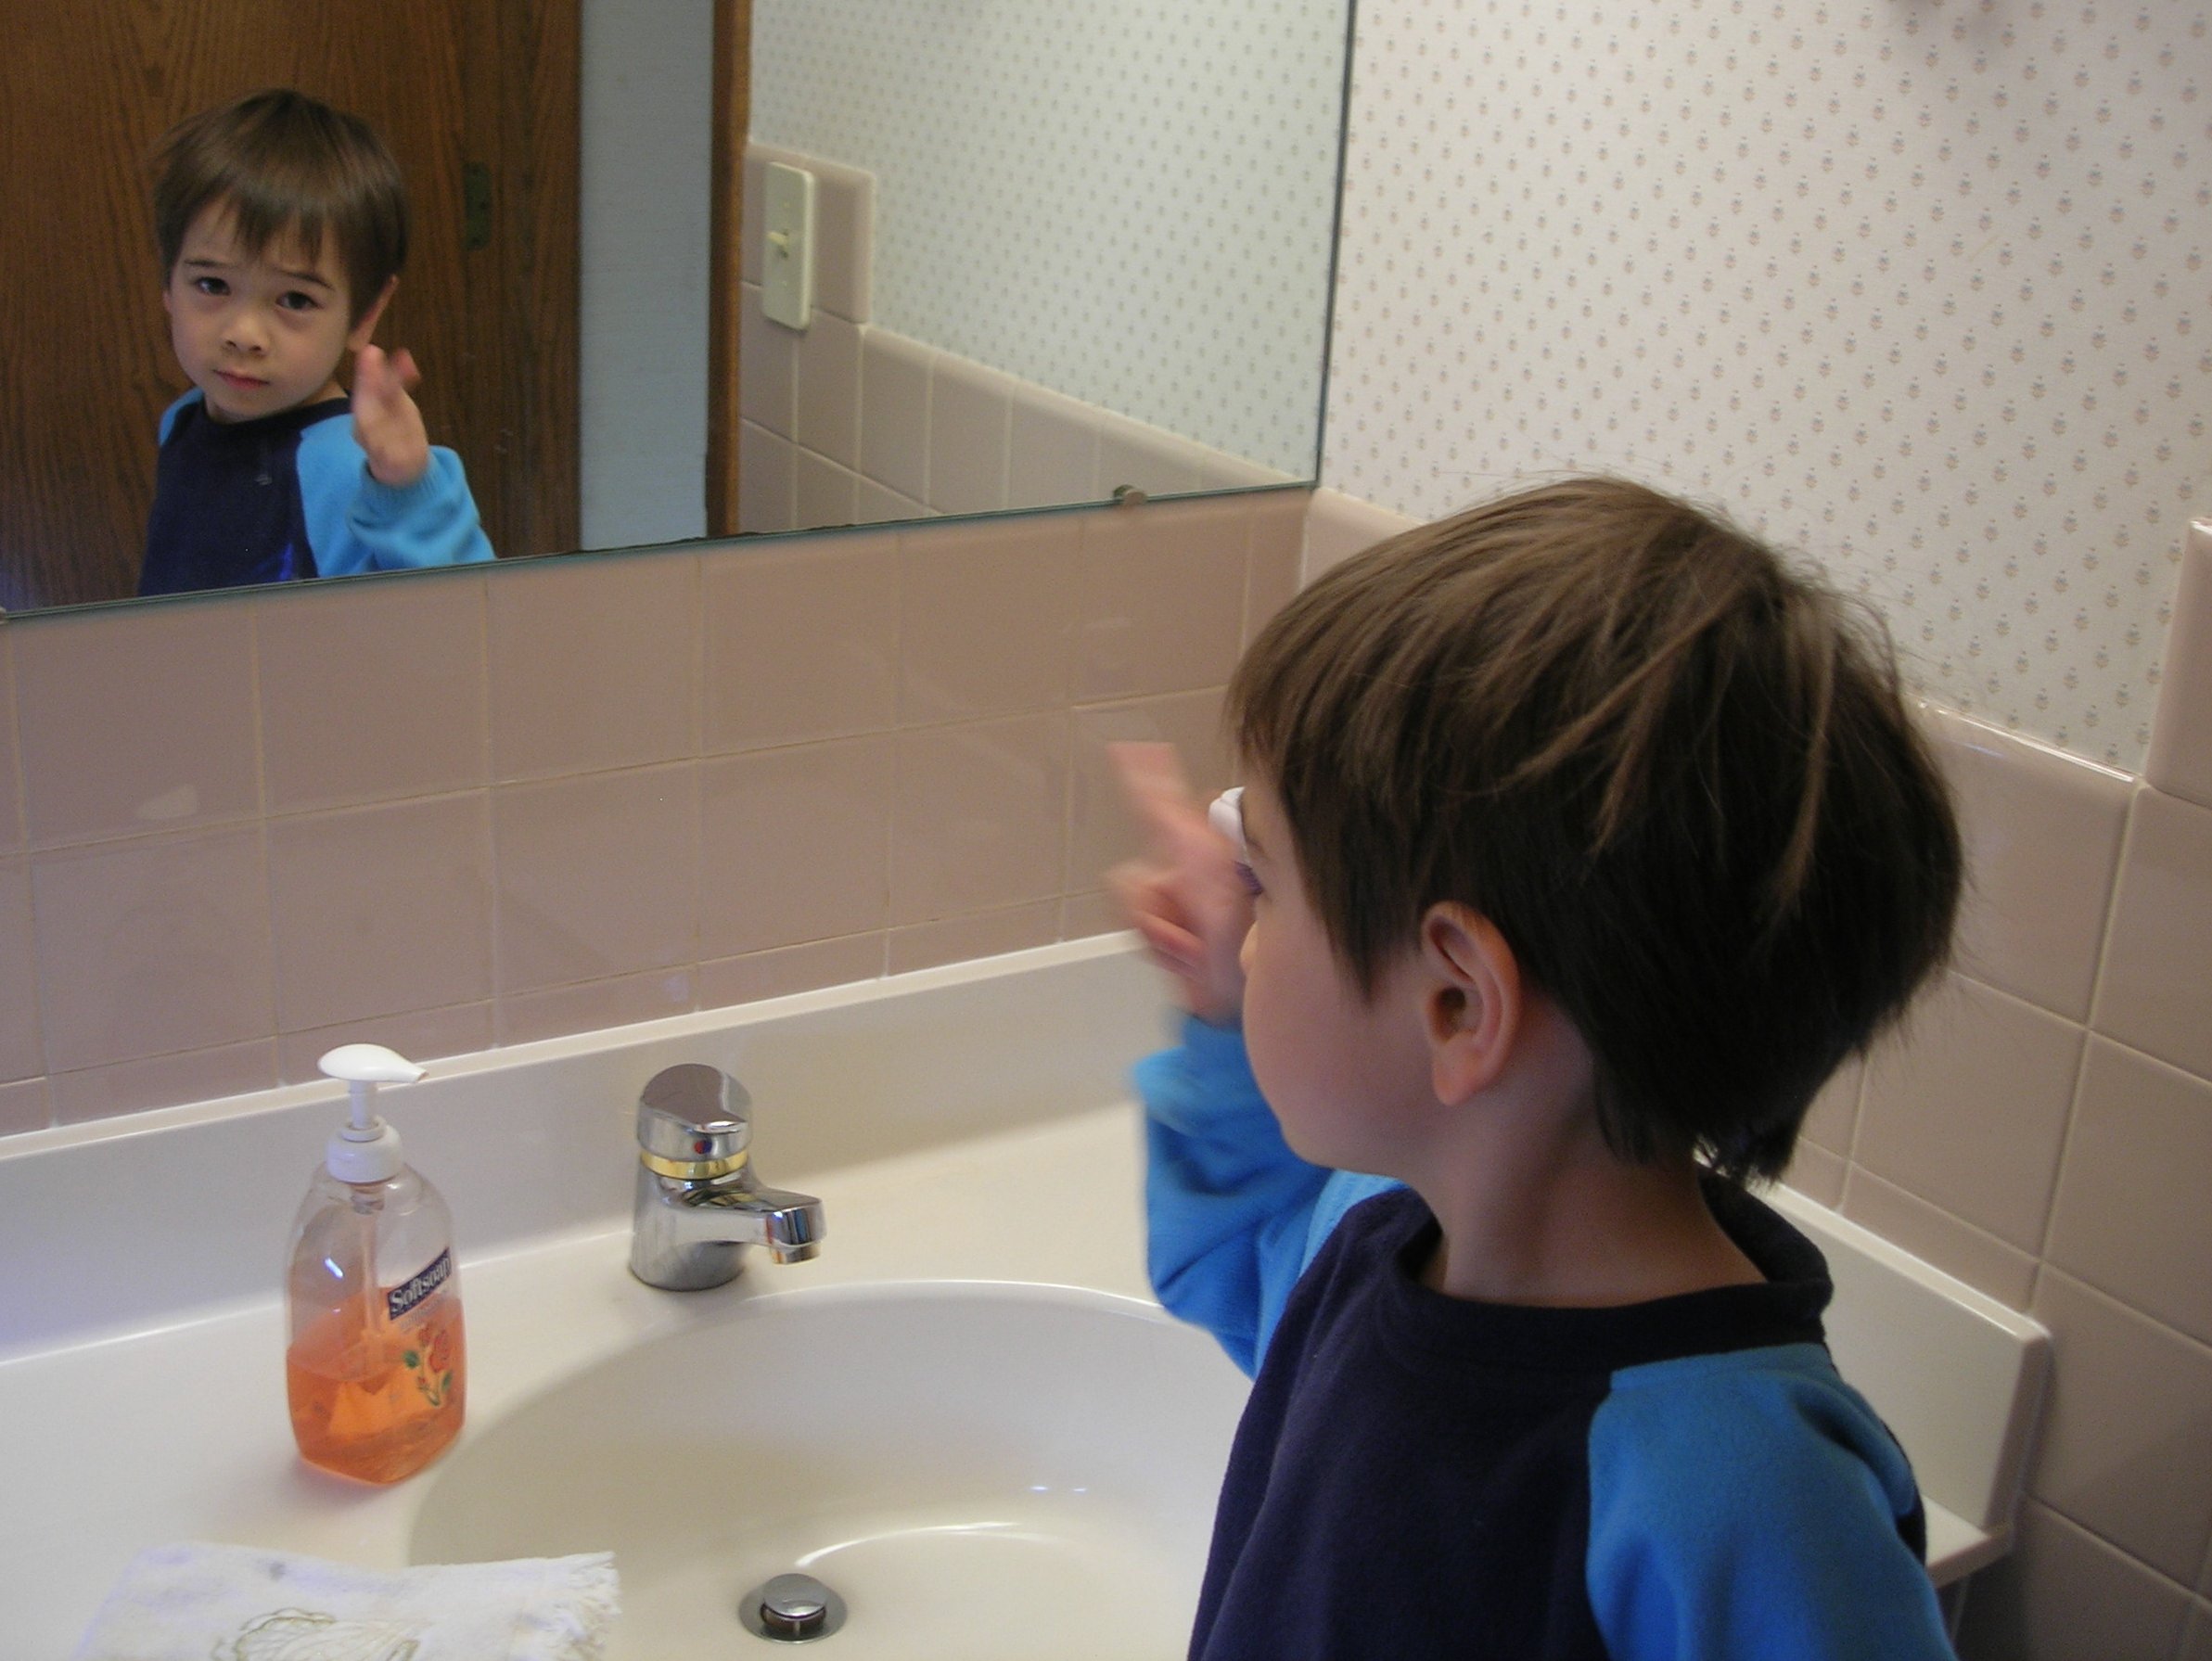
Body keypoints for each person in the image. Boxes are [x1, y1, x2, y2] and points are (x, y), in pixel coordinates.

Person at [1109, 477, 1965, 1659]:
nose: (1252, 936)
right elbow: (1231, 1255)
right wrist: (1219, 1007)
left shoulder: (1746, 1508)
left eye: (1267, 886)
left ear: (1459, 1002)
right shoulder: (1381, 1241)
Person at [140, 88, 492, 597]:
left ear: (365, 314)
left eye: (295, 300)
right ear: (169, 284)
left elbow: (465, 610)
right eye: (212, 285)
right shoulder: (184, 420)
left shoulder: (349, 462)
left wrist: (408, 488)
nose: (245, 335)